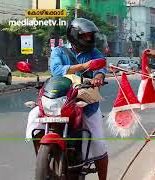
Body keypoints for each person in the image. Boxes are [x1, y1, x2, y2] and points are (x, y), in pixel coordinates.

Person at [49, 18, 108, 180]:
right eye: (86, 36)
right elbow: (56, 70)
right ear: (75, 36)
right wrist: (84, 66)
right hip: (60, 100)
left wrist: (99, 76)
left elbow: (101, 68)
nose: (89, 39)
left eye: (91, 36)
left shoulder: (95, 53)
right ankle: (42, 156)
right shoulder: (59, 52)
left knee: (98, 143)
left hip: (86, 102)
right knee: (34, 117)